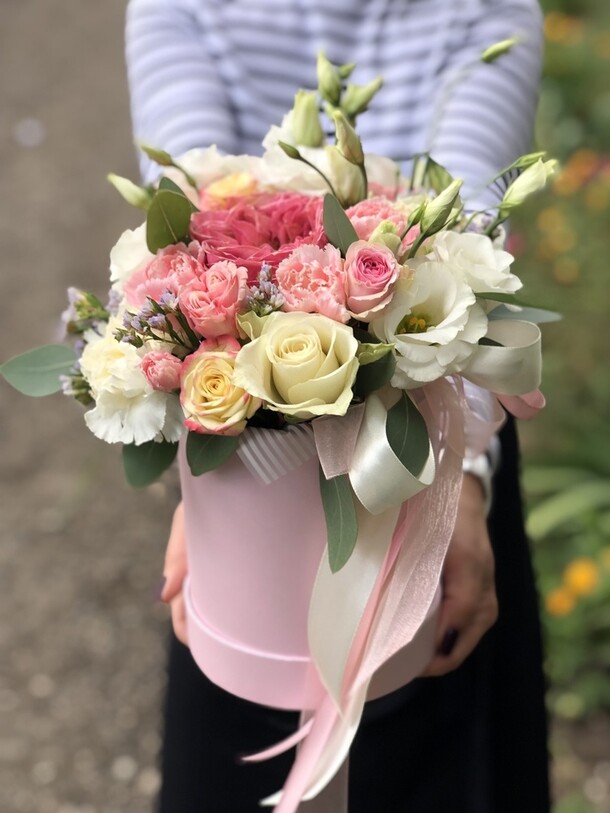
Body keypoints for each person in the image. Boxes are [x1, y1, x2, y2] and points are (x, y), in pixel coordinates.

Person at [124, 1, 550, 810]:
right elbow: (179, 240)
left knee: (442, 733)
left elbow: (470, 262)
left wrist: (457, 487)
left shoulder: (486, 11)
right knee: (240, 730)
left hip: (436, 435)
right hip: (250, 449)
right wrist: (205, 482)